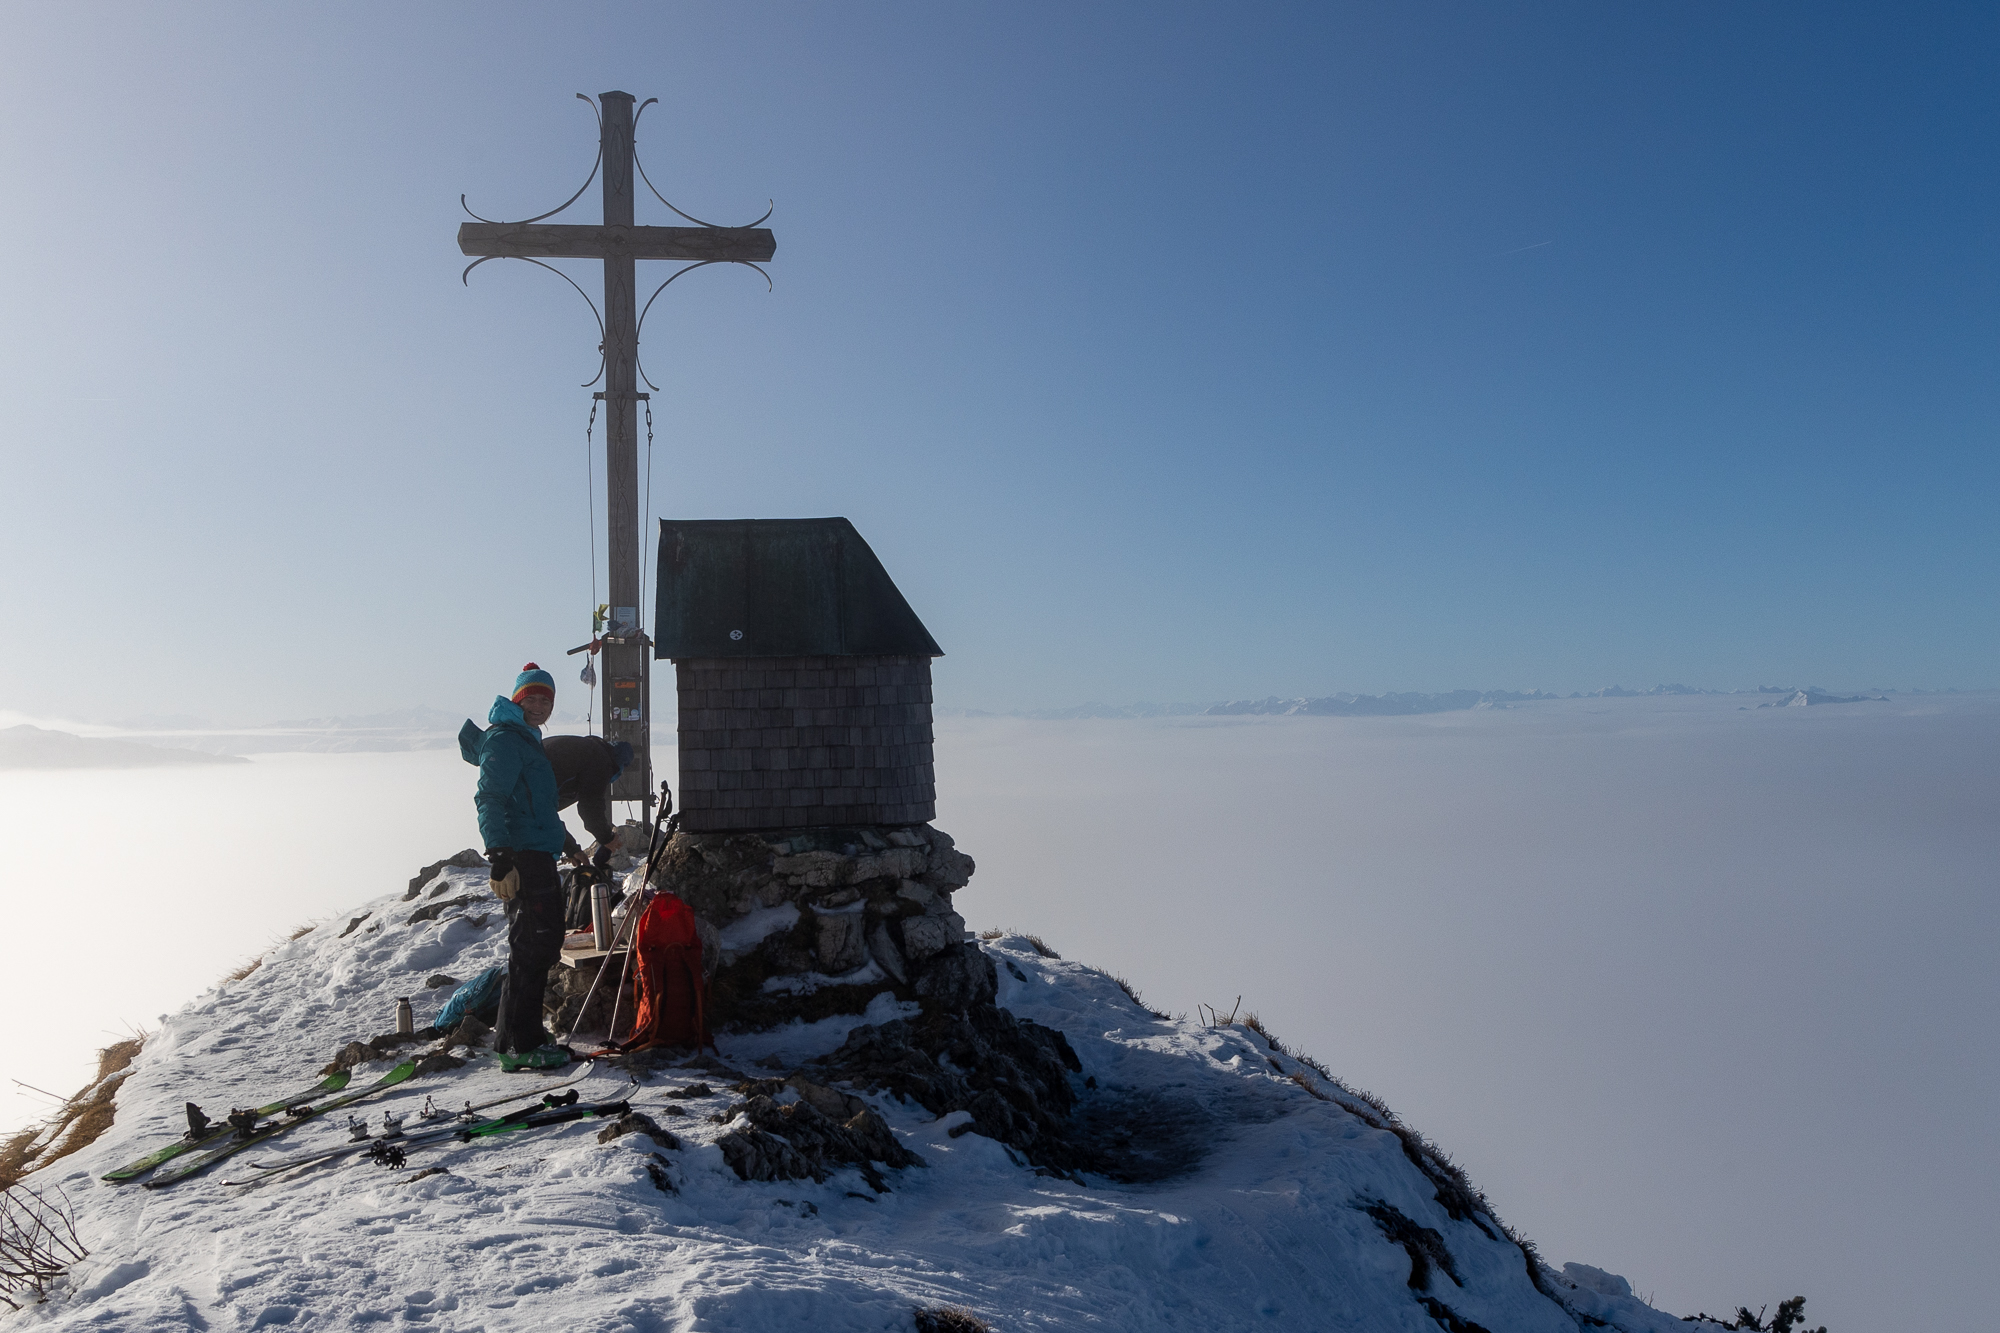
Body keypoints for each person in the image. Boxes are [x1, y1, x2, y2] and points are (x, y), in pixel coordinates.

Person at [465, 663, 573, 1072]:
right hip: (522, 858)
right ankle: (517, 1045)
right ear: (517, 700)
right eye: (532, 697)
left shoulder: (528, 740)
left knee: (541, 944)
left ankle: (522, 1035)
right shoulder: (506, 740)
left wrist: (570, 845)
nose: (541, 705)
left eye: (546, 699)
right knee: (531, 946)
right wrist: (501, 859)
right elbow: (489, 797)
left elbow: (539, 807)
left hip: (539, 853)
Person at [542, 734, 635, 866]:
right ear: (619, 764)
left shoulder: (585, 751)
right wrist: (607, 839)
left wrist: (571, 849)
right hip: (521, 802)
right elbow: (590, 810)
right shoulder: (600, 761)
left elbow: (542, 814)